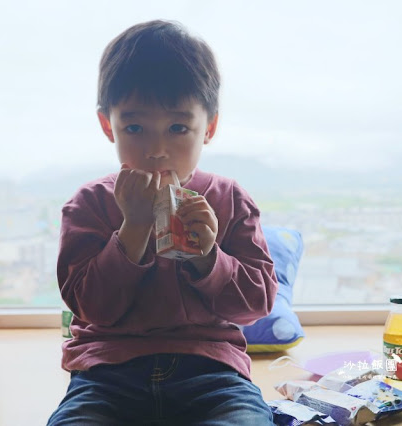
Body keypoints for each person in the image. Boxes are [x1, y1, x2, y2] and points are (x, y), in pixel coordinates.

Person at [47, 20, 278, 426]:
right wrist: (132, 229)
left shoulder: (229, 199)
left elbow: (256, 303)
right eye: (134, 127)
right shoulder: (89, 204)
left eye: (177, 128)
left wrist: (209, 257)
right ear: (108, 126)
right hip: (106, 373)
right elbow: (90, 307)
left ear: (209, 127)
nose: (156, 150)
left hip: (213, 371)